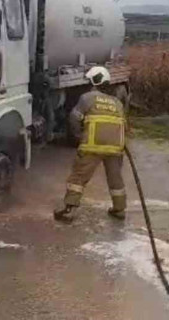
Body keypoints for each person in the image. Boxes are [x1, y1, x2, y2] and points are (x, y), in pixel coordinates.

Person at [54, 66, 128, 223]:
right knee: (116, 178)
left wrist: (78, 136)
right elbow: (123, 125)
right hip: (116, 147)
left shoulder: (87, 98)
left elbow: (74, 118)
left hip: (92, 146)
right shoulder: (117, 103)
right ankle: (119, 209)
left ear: (94, 81)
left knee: (79, 177)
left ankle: (69, 210)